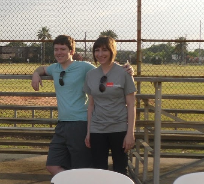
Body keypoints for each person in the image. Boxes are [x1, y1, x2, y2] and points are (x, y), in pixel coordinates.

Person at [31, 35, 95, 176]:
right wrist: (36, 73)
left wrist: (126, 69)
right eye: (56, 49)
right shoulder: (55, 68)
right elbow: (42, 68)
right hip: (62, 124)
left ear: (71, 51)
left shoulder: (83, 67)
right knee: (52, 165)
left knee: (80, 167)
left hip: (80, 123)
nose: (59, 52)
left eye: (63, 49)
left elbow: (105, 70)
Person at [84, 36, 136, 175]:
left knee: (120, 170)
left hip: (118, 128)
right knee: (99, 171)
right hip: (97, 129)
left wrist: (130, 133)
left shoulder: (124, 73)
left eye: (104, 50)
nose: (100, 54)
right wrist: (89, 132)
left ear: (112, 51)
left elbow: (131, 105)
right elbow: (91, 105)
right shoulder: (91, 75)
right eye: (97, 50)